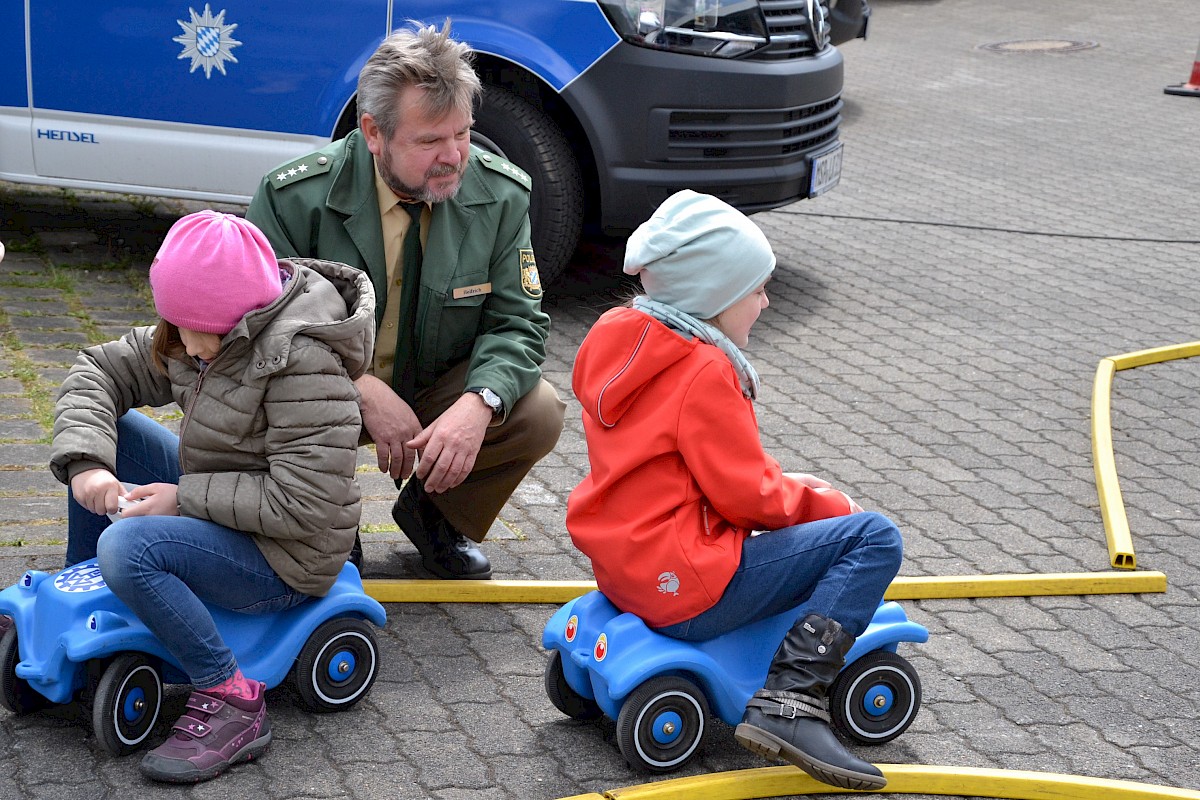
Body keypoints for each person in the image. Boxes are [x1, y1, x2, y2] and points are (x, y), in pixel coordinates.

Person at [566, 191, 905, 791]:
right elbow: (751, 499)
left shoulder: (619, 339)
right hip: (688, 584)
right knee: (874, 537)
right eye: (756, 289)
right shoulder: (703, 370)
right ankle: (791, 702)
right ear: (714, 296)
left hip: (625, 570)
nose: (766, 301)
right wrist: (825, 503)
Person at [50, 211, 374, 783]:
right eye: (174, 323)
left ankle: (229, 696)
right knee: (112, 435)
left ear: (244, 317)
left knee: (129, 547)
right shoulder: (191, 333)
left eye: (201, 329)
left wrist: (182, 499)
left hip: (283, 553)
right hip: (216, 497)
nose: (185, 343)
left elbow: (303, 502)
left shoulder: (304, 363)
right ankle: (86, 603)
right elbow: (97, 370)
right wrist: (87, 465)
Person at [246, 21, 565, 581]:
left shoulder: (501, 195)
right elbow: (262, 324)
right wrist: (360, 385)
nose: (454, 157)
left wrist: (477, 405)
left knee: (536, 409)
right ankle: (323, 525)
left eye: (462, 133)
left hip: (431, 380)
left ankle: (435, 515)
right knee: (282, 396)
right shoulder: (293, 198)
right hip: (323, 390)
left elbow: (518, 323)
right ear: (373, 132)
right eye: (429, 141)